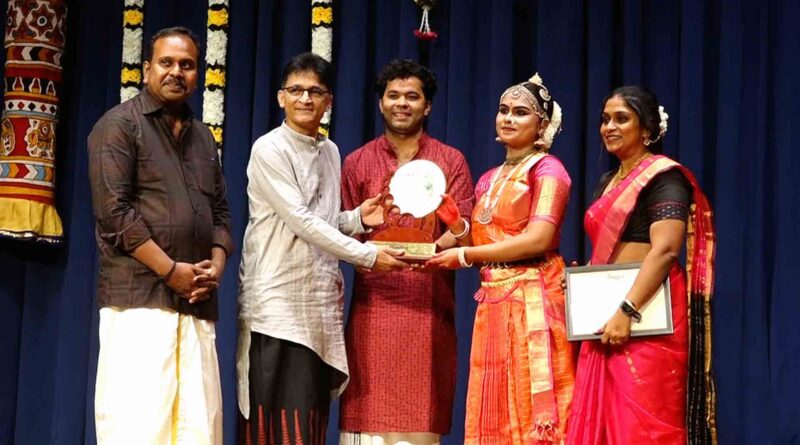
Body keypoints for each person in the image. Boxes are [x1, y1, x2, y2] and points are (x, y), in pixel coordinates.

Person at [236, 52, 408, 445]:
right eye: (296, 90)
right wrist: (367, 255)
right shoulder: (270, 149)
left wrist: (359, 220)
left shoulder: (330, 151)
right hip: (276, 307)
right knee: (275, 423)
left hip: (317, 308)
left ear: (329, 101)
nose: (305, 99)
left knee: (309, 420)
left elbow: (322, 220)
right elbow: (300, 220)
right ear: (281, 97)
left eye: (316, 91)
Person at [88, 27, 232, 445]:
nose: (176, 72)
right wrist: (171, 271)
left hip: (197, 302)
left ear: (198, 74)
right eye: (166, 63)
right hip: (139, 301)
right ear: (146, 69)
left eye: (187, 65)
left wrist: (216, 266)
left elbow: (221, 212)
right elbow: (115, 215)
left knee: (199, 429)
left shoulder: (203, 136)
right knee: (139, 426)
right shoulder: (117, 127)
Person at [427, 74, 576, 444]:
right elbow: (481, 237)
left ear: (542, 124)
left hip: (534, 299)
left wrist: (464, 255)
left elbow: (537, 239)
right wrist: (452, 229)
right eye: (503, 110)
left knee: (531, 404)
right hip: (493, 302)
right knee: (493, 404)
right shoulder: (490, 178)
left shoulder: (548, 170)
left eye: (521, 113)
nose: (508, 118)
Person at [565, 86, 717, 444]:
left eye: (621, 119)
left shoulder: (665, 177)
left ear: (647, 130)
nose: (609, 127)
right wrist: (581, 283)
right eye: (605, 119)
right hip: (606, 314)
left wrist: (627, 310)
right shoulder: (608, 181)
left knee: (642, 423)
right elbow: (609, 251)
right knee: (602, 418)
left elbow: (665, 251)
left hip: (647, 312)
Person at [338, 59, 475, 445]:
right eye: (393, 96)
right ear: (380, 103)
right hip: (373, 311)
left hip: (430, 310)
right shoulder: (357, 162)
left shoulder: (451, 161)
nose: (402, 103)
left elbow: (464, 230)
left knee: (421, 426)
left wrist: (430, 251)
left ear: (427, 106)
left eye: (412, 96)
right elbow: (342, 233)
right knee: (366, 423)